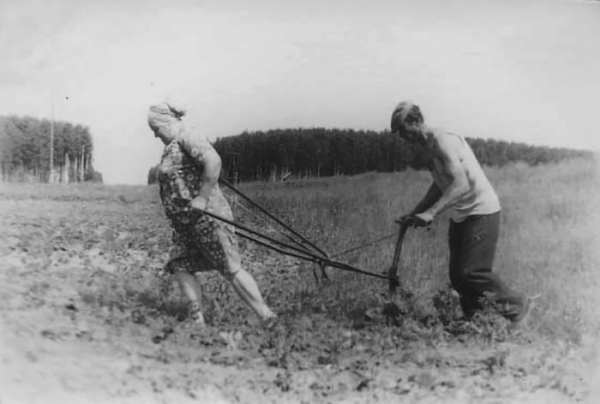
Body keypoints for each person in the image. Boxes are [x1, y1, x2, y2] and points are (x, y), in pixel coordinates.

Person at [390, 101, 533, 327]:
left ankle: (518, 306)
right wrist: (415, 213)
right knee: (458, 277)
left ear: (415, 122)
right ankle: (474, 318)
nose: (401, 137)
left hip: (482, 210)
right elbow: (439, 185)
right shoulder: (426, 148)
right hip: (462, 213)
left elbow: (461, 184)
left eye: (402, 130)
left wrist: (433, 213)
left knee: (472, 273)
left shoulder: (442, 139)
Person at [147, 102, 276, 328]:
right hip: (187, 225)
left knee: (230, 267)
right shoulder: (173, 146)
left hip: (207, 218)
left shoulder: (187, 135)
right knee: (180, 265)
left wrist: (202, 197)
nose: (156, 136)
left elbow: (213, 161)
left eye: (156, 130)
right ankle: (196, 321)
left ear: (166, 123)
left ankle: (267, 317)